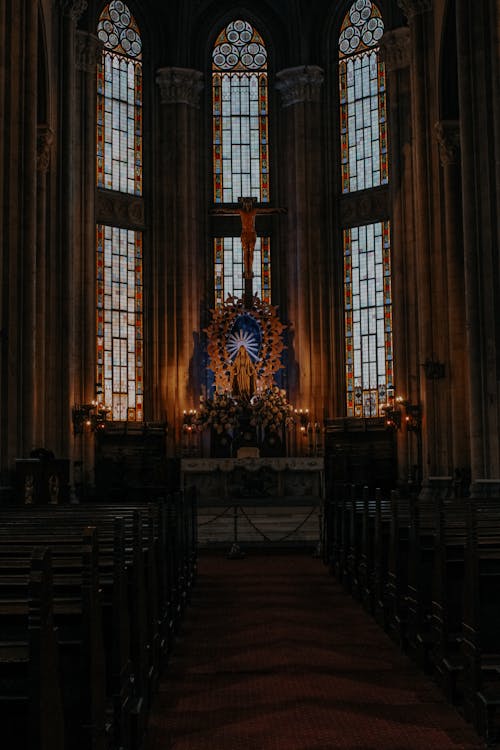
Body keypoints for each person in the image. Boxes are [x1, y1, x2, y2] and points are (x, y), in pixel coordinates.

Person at [212, 197, 286, 279]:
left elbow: (266, 210)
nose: (247, 206)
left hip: (252, 233)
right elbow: (230, 211)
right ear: (244, 205)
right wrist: (219, 210)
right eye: (246, 204)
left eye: (249, 204)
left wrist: (276, 209)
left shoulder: (254, 211)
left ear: (251, 205)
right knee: (245, 252)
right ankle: (247, 270)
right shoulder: (241, 212)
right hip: (244, 234)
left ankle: (250, 269)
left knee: (251, 252)